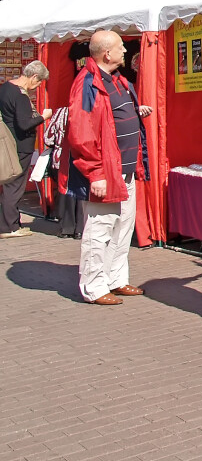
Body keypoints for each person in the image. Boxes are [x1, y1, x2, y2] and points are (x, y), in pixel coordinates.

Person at [61, 32, 151, 305]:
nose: (126, 50)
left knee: (123, 227)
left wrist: (136, 111)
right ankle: (94, 286)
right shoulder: (87, 83)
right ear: (107, 54)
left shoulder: (116, 80)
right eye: (121, 47)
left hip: (123, 169)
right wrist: (96, 172)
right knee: (99, 231)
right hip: (105, 173)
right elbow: (82, 132)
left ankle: (115, 278)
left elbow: (110, 116)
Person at [0, 61, 51, 238]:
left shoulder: (6, 87)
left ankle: (10, 223)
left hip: (8, 142)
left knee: (10, 185)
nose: (36, 87)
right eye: (38, 83)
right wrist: (43, 117)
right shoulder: (21, 95)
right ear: (34, 77)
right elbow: (24, 124)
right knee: (15, 187)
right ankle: (9, 227)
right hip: (20, 145)